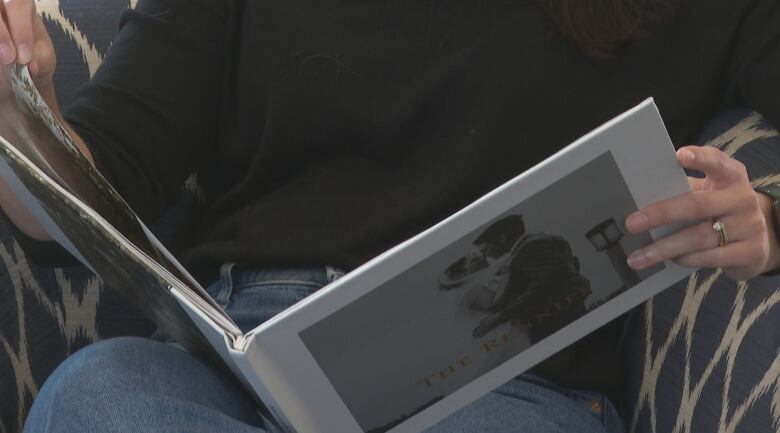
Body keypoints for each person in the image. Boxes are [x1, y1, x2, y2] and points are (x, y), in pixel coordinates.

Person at [0, 0, 777, 432]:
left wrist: (768, 227)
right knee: (95, 399)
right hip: (242, 363)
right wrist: (17, 112)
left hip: (506, 387)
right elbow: (89, 192)